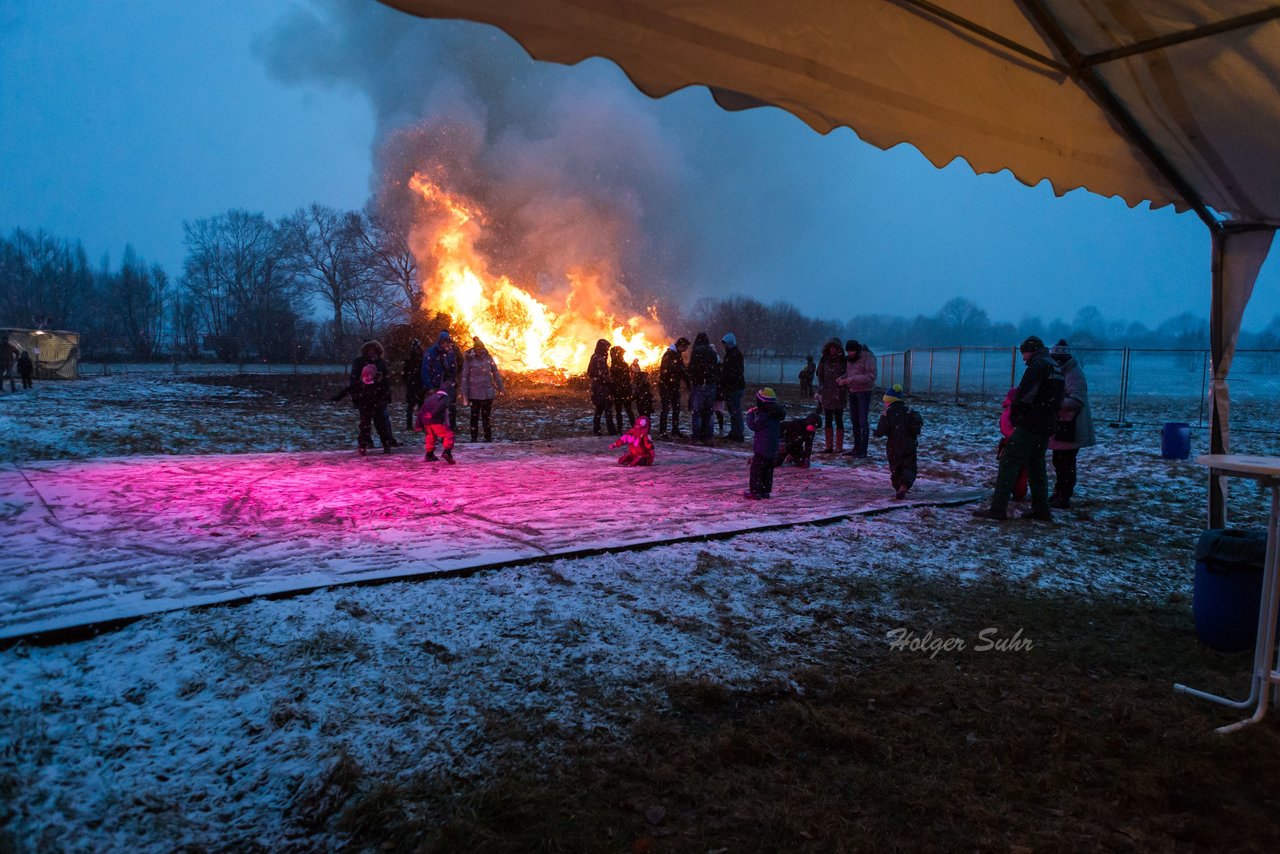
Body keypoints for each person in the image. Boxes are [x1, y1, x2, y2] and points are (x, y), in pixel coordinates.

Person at [973, 336, 1065, 521]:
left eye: (1024, 355)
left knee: (1009, 461)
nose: (1024, 359)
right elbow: (1059, 398)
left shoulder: (1038, 366)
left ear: (1031, 350)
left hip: (1031, 423)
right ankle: (1041, 509)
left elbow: (1025, 394)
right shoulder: (1056, 367)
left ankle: (998, 508)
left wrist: (1016, 414)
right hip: (1046, 424)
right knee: (1036, 465)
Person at [1047, 340, 1096, 509]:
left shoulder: (1073, 374)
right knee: (1059, 461)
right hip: (1064, 425)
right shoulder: (1066, 371)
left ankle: (1064, 495)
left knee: (1066, 462)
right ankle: (1059, 492)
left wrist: (1054, 402)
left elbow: (1076, 400)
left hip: (1071, 426)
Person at [340, 340, 396, 455]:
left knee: (382, 423)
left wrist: (386, 395)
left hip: (379, 397)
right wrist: (356, 396)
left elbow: (386, 381)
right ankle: (363, 445)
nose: (371, 352)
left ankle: (386, 443)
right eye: (369, 350)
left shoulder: (381, 363)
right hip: (365, 398)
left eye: (374, 349)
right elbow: (354, 380)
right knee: (365, 424)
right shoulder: (359, 363)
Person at [874, 384, 923, 500]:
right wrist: (913, 431)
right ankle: (904, 485)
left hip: (893, 445)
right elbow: (917, 421)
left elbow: (882, 429)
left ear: (889, 401)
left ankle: (898, 485)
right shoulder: (908, 410)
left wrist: (878, 433)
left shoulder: (887, 412)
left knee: (896, 466)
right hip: (909, 443)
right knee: (909, 465)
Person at [837, 340, 877, 458]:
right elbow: (850, 374)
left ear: (857, 350)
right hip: (853, 391)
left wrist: (850, 380)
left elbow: (871, 376)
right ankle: (856, 447)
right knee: (855, 421)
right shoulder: (850, 360)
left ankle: (863, 450)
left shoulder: (868, 358)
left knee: (862, 421)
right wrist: (842, 378)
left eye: (851, 351)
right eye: (848, 352)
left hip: (864, 392)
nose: (849, 354)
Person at [744, 387, 787, 499]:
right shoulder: (775, 414)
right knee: (768, 470)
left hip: (762, 447)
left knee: (756, 470)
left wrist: (750, 415)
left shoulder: (764, 415)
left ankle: (755, 492)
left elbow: (754, 426)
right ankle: (765, 491)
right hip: (772, 447)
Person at [461, 336, 504, 442]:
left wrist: (501, 387)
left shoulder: (488, 358)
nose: (480, 351)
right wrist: (464, 394)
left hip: (488, 393)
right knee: (474, 417)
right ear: (474, 349)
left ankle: (488, 437)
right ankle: (474, 437)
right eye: (478, 349)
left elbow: (495, 373)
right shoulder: (469, 359)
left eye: (482, 348)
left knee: (486, 417)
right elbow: (464, 377)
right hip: (474, 394)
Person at [421, 331, 461, 430]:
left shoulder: (450, 353)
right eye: (444, 342)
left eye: (448, 342)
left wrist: (452, 381)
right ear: (440, 342)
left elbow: (454, 368)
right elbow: (425, 370)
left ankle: (448, 429)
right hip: (435, 386)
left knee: (449, 409)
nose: (446, 344)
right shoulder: (431, 353)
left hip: (447, 386)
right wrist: (429, 387)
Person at [815, 338, 848, 454]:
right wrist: (822, 388)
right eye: (831, 347)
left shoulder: (844, 360)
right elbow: (820, 375)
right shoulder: (824, 360)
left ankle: (839, 445)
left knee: (839, 418)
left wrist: (843, 384)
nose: (833, 350)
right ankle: (828, 445)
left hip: (839, 393)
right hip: (827, 393)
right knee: (828, 419)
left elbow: (848, 373)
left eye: (835, 347)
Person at [997, 386, 1029, 503]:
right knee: (1018, 470)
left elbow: (1006, 429)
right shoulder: (1011, 412)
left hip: (1015, 442)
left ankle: (1015, 491)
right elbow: (1007, 429)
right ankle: (1016, 491)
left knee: (1016, 469)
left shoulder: (1011, 412)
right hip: (1015, 442)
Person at [687, 332, 719, 444]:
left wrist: (693, 379)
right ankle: (707, 437)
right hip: (711, 385)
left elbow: (691, 368)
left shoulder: (696, 351)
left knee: (697, 412)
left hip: (699, 384)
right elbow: (716, 368)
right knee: (709, 412)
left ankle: (696, 437)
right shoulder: (712, 352)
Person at [657, 337, 690, 437]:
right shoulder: (669, 355)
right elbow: (669, 370)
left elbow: (682, 371)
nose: (686, 350)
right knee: (666, 409)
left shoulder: (677, 355)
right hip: (666, 386)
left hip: (674, 386)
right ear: (681, 345)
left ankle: (675, 430)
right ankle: (663, 431)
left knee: (676, 408)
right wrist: (680, 370)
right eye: (685, 347)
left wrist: (688, 382)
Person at [415, 389, 456, 464]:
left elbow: (421, 411)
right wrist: (432, 414)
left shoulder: (430, 398)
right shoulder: (444, 398)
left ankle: (429, 454)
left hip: (426, 421)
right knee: (449, 434)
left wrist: (418, 424)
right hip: (435, 421)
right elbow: (440, 405)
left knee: (430, 436)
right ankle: (447, 451)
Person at [720, 332, 746, 441]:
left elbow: (736, 372)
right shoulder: (732, 354)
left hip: (735, 388)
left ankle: (738, 433)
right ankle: (734, 432)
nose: (724, 346)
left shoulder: (735, 355)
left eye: (725, 344)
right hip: (733, 387)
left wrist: (726, 377)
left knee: (735, 411)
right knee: (733, 411)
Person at [588, 339, 616, 436]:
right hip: (601, 389)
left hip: (598, 388)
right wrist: (608, 382)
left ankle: (597, 430)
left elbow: (590, 372)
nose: (607, 350)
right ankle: (611, 431)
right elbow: (599, 374)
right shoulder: (599, 358)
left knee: (599, 410)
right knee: (607, 410)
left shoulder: (595, 357)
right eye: (606, 348)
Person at [609, 345, 636, 431]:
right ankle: (634, 428)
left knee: (619, 412)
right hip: (624, 391)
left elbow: (613, 380)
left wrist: (613, 391)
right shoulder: (622, 365)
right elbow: (627, 379)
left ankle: (619, 429)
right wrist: (629, 392)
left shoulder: (614, 365)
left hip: (618, 392)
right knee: (628, 411)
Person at [402, 338, 425, 431]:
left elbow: (404, 374)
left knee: (416, 406)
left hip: (416, 384)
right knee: (415, 405)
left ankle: (415, 424)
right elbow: (405, 374)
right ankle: (415, 425)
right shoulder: (419, 359)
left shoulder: (418, 359)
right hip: (415, 384)